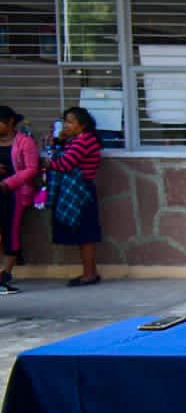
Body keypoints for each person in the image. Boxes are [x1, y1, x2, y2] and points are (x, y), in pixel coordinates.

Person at [46, 106, 104, 287]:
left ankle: (89, 274)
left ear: (83, 124)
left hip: (80, 192)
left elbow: (65, 164)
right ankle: (90, 272)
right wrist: (61, 141)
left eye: (70, 122)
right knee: (82, 234)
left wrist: (49, 163)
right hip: (79, 190)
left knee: (85, 234)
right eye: (65, 122)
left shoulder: (84, 141)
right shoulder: (77, 140)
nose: (66, 125)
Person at [0, 107, 41, 294]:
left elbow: (32, 168)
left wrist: (8, 183)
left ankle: (4, 276)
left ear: (9, 122)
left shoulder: (25, 142)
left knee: (11, 232)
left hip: (13, 194)